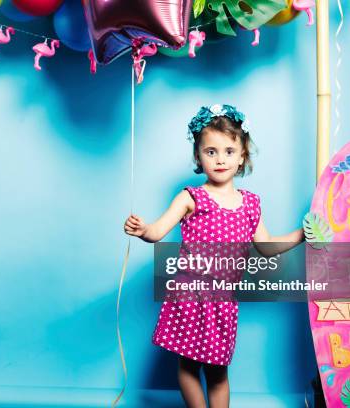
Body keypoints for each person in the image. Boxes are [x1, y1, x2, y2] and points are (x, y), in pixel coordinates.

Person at [123, 104, 303, 408]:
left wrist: (302, 235)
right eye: (211, 151)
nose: (220, 159)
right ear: (198, 156)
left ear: (243, 154)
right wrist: (143, 229)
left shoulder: (250, 204)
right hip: (190, 295)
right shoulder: (191, 197)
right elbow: (157, 231)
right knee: (189, 365)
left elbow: (266, 245)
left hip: (223, 300)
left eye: (229, 151)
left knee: (218, 371)